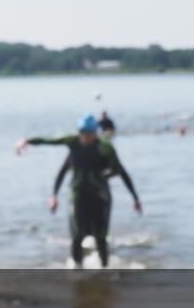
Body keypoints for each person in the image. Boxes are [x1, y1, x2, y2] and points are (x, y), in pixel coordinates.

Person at [16, 114, 142, 268]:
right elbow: (50, 141)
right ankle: (76, 271)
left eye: (89, 133)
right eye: (82, 133)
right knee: (77, 236)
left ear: (95, 132)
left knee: (100, 239)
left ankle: (104, 272)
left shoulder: (105, 147)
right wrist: (27, 141)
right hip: (77, 196)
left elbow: (120, 171)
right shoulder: (73, 143)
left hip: (100, 197)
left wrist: (134, 197)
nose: (85, 137)